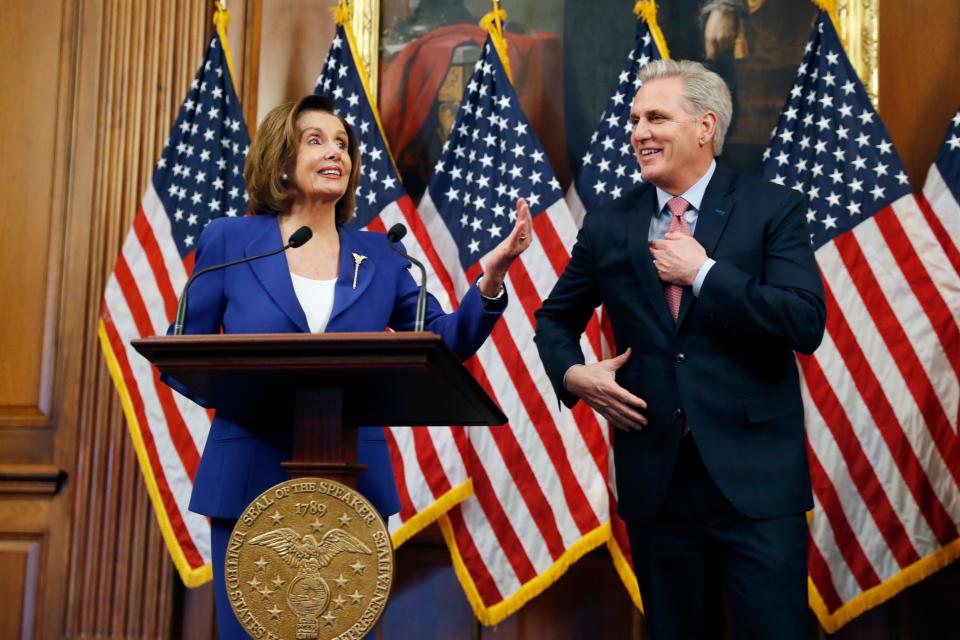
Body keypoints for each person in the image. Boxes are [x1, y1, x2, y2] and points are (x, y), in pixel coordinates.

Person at [164, 94, 531, 638]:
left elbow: (443, 339)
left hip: (350, 476)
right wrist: (252, 395)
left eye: (342, 144)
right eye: (316, 140)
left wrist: (492, 280)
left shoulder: (381, 254)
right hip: (248, 470)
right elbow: (185, 356)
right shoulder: (232, 241)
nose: (335, 151)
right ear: (281, 160)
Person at [534, 60, 825, 638]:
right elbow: (554, 319)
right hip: (658, 483)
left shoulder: (772, 208)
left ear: (705, 126)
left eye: (656, 117)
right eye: (635, 118)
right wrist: (573, 375)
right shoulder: (609, 225)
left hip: (756, 483)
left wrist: (706, 274)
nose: (638, 131)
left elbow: (803, 321)